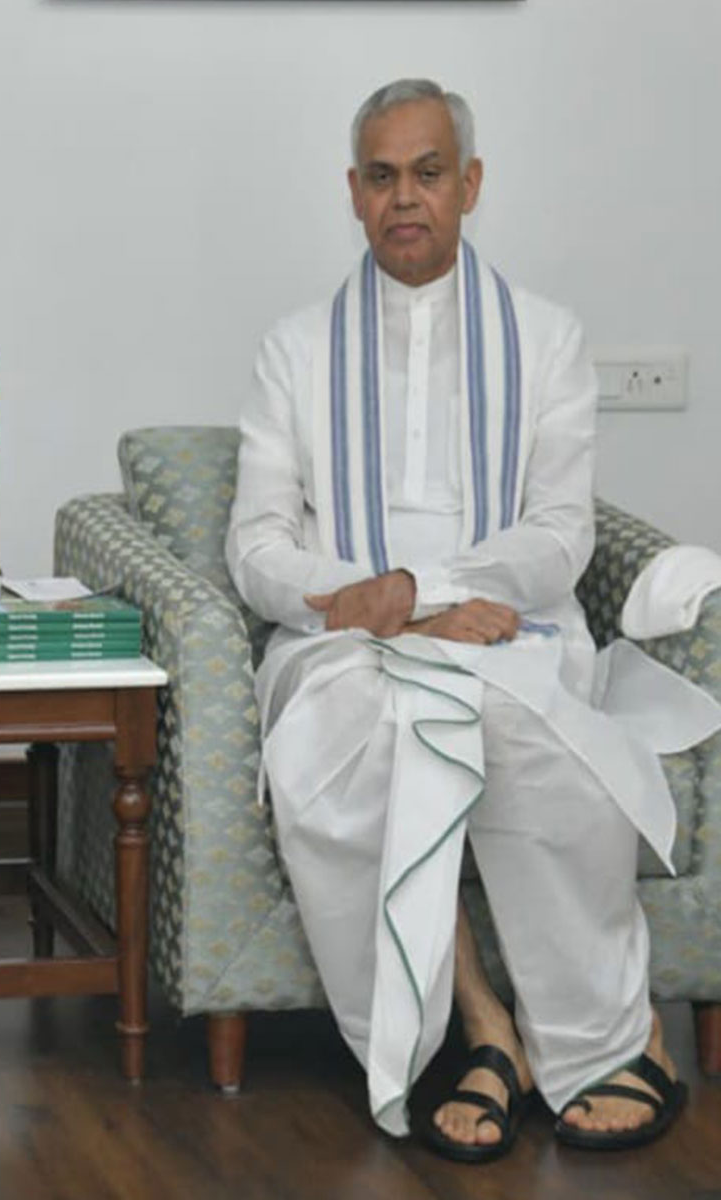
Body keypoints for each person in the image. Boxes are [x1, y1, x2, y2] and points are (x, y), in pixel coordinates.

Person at [225, 79, 708, 1160]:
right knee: (360, 739)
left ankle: (598, 1039)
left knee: (528, 739)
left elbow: (559, 535)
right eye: (384, 176)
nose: (408, 198)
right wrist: (368, 605)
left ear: (469, 185)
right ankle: (468, 1036)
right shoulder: (293, 351)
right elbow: (254, 547)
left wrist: (427, 595)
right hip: (343, 641)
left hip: (507, 626)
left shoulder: (546, 339)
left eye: (428, 173)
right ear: (352, 195)